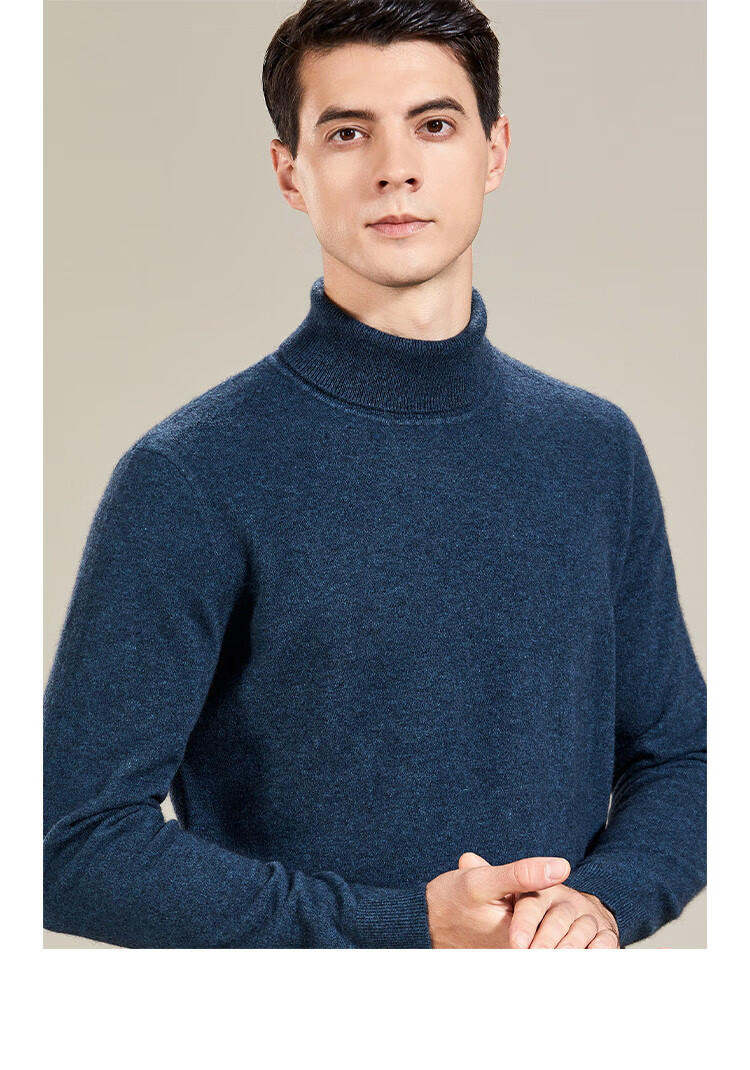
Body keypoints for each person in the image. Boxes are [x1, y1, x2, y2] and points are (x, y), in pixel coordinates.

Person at [43, 0, 707, 949]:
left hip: (558, 1018)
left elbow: (686, 759)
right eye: (348, 132)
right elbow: (68, 846)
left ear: (494, 151)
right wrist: (408, 928)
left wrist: (603, 901)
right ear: (290, 173)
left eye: (434, 124)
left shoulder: (595, 451)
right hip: (301, 1026)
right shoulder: (191, 474)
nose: (396, 167)